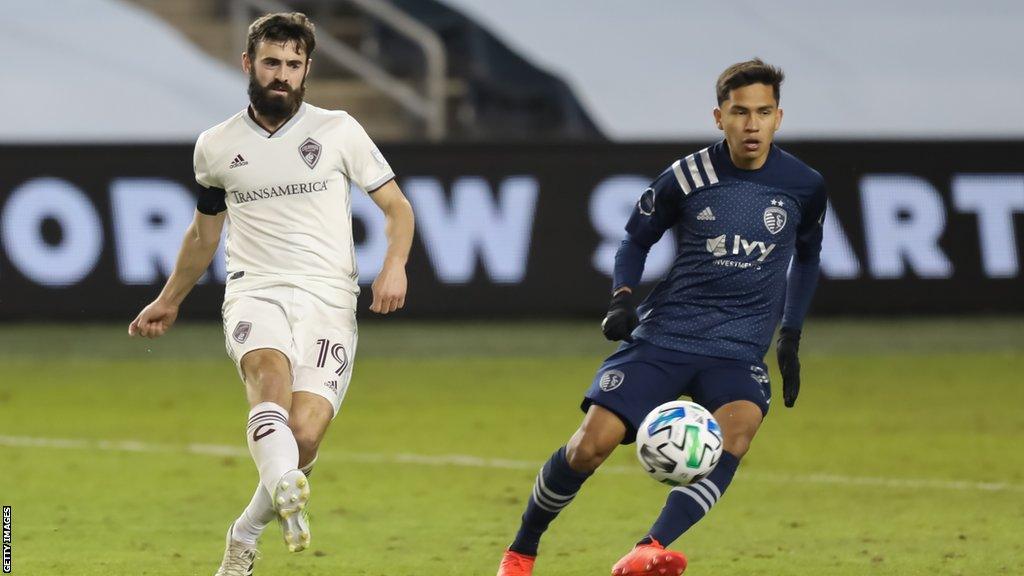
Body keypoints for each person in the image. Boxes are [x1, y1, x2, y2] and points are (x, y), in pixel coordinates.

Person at [496, 58, 826, 576]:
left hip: (739, 350)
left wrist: (791, 334)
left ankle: (648, 549)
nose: (752, 124)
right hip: (668, 335)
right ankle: (521, 552)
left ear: (778, 118)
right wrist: (622, 298)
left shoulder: (804, 186)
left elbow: (807, 258)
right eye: (740, 112)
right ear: (720, 118)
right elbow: (636, 238)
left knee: (735, 436)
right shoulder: (688, 175)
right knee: (590, 446)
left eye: (763, 112)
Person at [127, 12, 415, 576]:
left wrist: (395, 266)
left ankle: (247, 528)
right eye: (271, 63)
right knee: (269, 383)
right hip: (254, 291)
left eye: (293, 65)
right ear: (248, 65)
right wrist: (170, 298)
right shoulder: (215, 147)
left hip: (331, 300)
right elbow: (204, 233)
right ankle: (282, 489)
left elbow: (397, 206)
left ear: (307, 70)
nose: (281, 75)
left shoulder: (339, 130)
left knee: (303, 438)